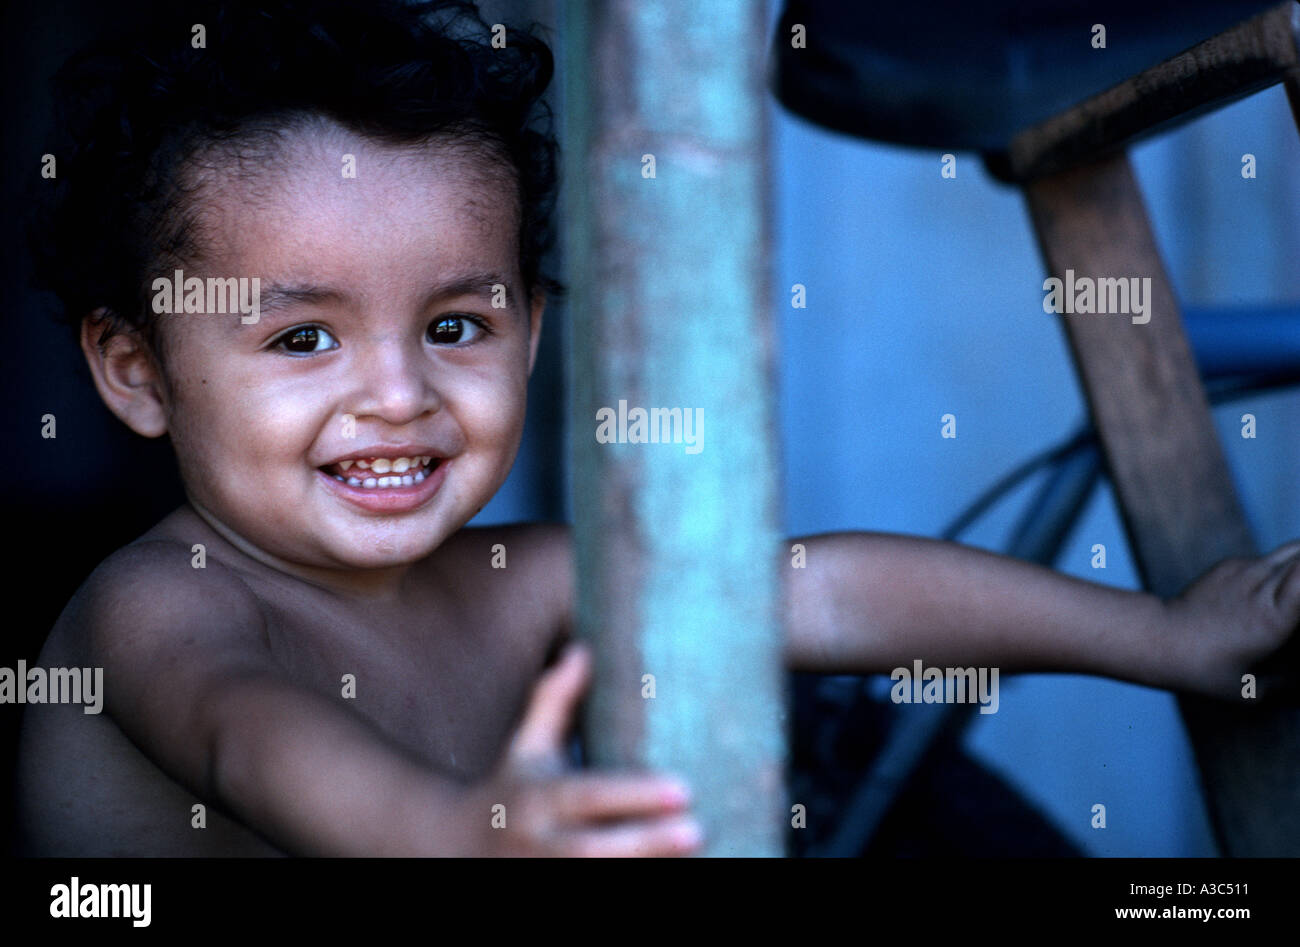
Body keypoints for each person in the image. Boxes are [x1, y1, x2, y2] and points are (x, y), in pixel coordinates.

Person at [16, 0, 1300, 856]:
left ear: (532, 327)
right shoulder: (163, 609)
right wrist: (459, 829)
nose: (399, 394)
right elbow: (249, 731)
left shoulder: (506, 581)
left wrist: (1165, 633)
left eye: (457, 325)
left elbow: (810, 592)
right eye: (303, 339)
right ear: (136, 369)